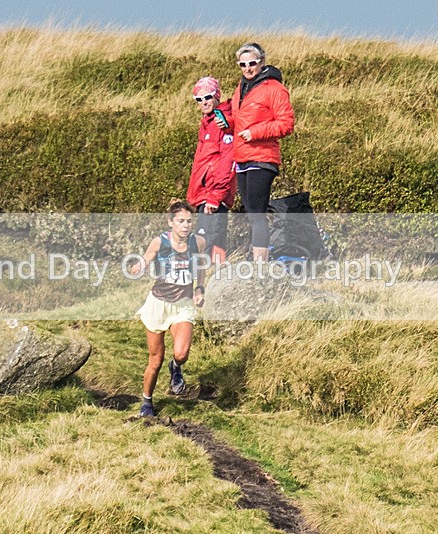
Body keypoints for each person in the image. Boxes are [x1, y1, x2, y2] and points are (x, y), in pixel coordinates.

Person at [130, 200, 206, 417]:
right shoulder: (159, 242)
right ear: (171, 222)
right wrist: (138, 267)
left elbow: (201, 266)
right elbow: (146, 259)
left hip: (183, 305)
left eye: (189, 221)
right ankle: (147, 402)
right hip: (158, 304)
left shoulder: (198, 242)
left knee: (181, 354)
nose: (185, 225)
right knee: (155, 360)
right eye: (181, 221)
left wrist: (200, 289)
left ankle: (176, 368)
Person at [231, 42, 295, 261]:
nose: (248, 68)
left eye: (252, 63)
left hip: (262, 158)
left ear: (262, 62)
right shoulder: (241, 88)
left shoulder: (275, 89)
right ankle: (256, 257)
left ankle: (260, 264)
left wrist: (255, 132)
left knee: (257, 213)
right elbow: (239, 119)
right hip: (241, 158)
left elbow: (286, 124)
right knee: (251, 213)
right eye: (243, 64)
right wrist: (225, 121)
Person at [188, 76, 237, 264]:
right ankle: (208, 277)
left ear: (217, 95)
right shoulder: (207, 122)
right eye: (198, 99)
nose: (203, 102)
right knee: (204, 241)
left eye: (207, 97)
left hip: (214, 193)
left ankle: (215, 278)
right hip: (204, 191)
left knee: (213, 239)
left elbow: (227, 161)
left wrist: (215, 196)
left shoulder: (221, 120)